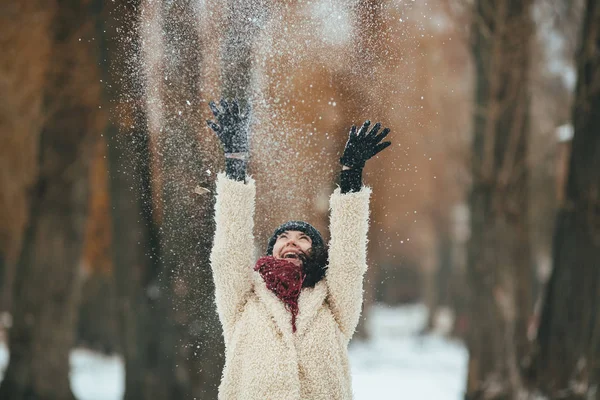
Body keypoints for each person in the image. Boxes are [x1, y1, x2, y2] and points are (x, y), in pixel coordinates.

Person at [206, 98, 391, 400]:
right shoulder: (243, 301)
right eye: (283, 237)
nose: (292, 240)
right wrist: (235, 162)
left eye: (304, 238)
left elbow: (349, 259)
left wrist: (350, 176)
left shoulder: (333, 306)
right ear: (271, 250)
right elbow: (230, 250)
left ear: (317, 254)